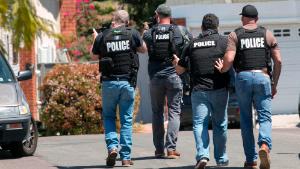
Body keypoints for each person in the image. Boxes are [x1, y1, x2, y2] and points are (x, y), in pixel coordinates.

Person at [215, 5, 282, 169]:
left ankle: (251, 160)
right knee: (265, 116)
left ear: (242, 18)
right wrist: (274, 83)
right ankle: (265, 145)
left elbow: (229, 58)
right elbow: (278, 61)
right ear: (257, 19)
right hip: (263, 76)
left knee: (245, 120)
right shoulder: (267, 34)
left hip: (243, 78)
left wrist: (222, 69)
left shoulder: (234, 34)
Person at [92, 10, 147, 167]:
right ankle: (126, 158)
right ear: (127, 22)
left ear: (113, 21)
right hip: (127, 82)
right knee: (126, 120)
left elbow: (94, 56)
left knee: (109, 117)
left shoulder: (102, 36)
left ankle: (112, 148)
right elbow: (144, 49)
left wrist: (94, 40)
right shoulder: (132, 33)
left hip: (108, 83)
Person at [175, 13, 230, 169]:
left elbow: (179, 70)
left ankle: (203, 156)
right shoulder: (224, 42)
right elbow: (232, 61)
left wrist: (175, 62)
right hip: (219, 89)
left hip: (198, 90)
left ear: (202, 27)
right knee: (220, 124)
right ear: (217, 27)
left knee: (200, 124)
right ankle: (221, 158)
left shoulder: (192, 44)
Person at [143, 4, 192, 159]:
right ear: (170, 16)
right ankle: (171, 149)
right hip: (174, 76)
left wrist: (145, 30)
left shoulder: (150, 32)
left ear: (157, 15)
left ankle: (158, 150)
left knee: (157, 113)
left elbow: (142, 48)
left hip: (156, 78)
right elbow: (189, 48)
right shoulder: (180, 30)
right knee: (174, 112)